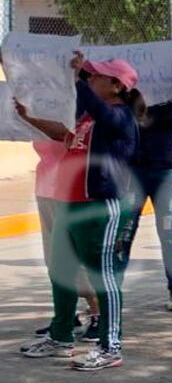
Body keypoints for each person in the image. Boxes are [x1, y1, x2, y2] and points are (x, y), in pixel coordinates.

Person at [18, 57, 142, 371]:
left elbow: (103, 113)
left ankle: (110, 346)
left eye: (96, 76)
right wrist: (28, 117)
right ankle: (60, 337)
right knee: (61, 271)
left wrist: (75, 80)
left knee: (103, 277)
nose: (89, 79)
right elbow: (63, 134)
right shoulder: (90, 117)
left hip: (98, 205)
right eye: (89, 75)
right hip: (69, 203)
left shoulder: (120, 116)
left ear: (117, 85)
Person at [123, 51, 172, 311]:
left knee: (167, 230)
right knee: (125, 229)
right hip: (136, 172)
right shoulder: (130, 98)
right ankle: (112, 286)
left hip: (166, 172)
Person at [30, 141, 101, 342]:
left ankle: (98, 314)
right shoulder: (40, 112)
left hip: (71, 191)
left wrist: (31, 118)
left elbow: (67, 137)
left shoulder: (77, 114)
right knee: (53, 259)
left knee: (77, 257)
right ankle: (66, 315)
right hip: (45, 187)